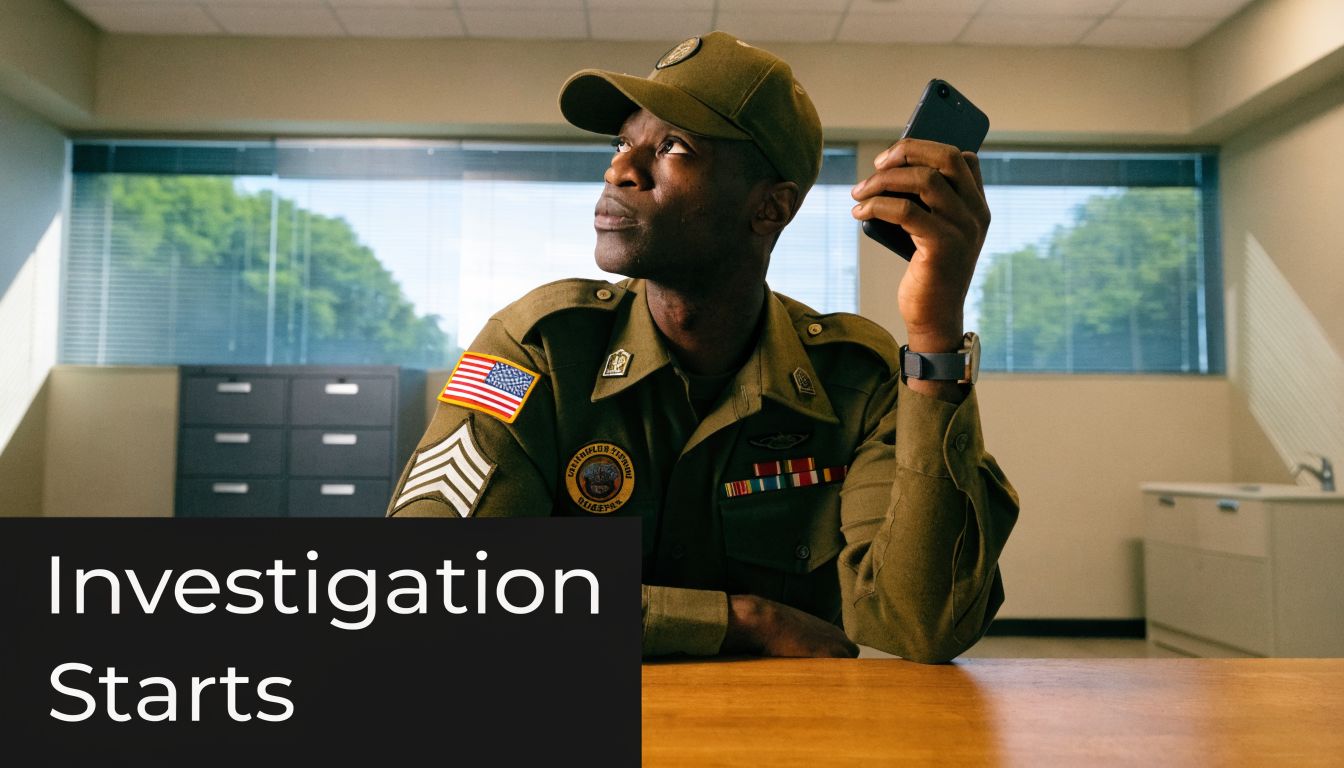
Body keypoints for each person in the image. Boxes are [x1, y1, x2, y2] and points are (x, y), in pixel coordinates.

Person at [388, 31, 1019, 663]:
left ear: (770, 208)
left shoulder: (856, 379)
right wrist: (742, 622)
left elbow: (923, 625)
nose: (619, 170)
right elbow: (430, 592)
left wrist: (935, 332)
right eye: (622, 143)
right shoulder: (540, 350)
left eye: (671, 147)